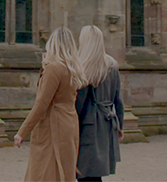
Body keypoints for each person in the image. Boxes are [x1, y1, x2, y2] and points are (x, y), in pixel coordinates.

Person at [14, 27, 85, 182]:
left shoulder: (54, 68)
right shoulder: (72, 68)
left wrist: (22, 132)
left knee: (45, 172)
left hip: (53, 125)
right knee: (65, 171)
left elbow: (42, 103)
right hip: (69, 122)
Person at [75, 26, 124, 182]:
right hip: (107, 123)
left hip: (88, 124)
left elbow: (79, 104)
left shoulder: (83, 67)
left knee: (85, 172)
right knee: (96, 172)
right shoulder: (112, 65)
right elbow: (119, 101)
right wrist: (119, 126)